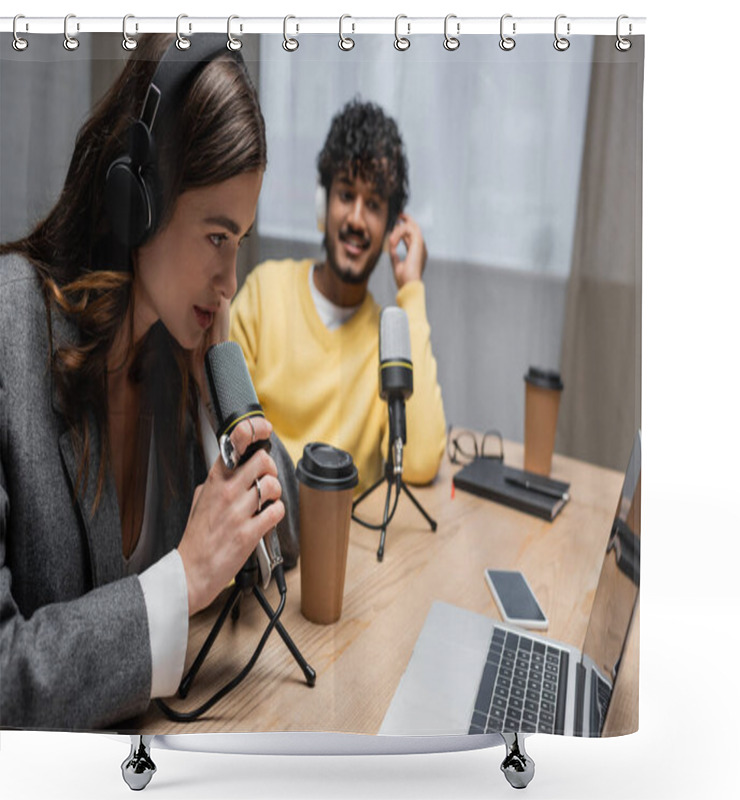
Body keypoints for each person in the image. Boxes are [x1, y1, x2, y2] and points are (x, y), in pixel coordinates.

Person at [0, 34, 298, 730]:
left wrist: (222, 399)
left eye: (240, 243)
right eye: (216, 238)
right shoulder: (10, 329)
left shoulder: (174, 353)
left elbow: (273, 550)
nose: (230, 284)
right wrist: (182, 580)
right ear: (140, 199)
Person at [230, 99, 446, 494]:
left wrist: (411, 290)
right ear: (323, 202)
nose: (357, 220)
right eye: (346, 194)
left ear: (390, 228)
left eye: (375, 205)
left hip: (349, 546)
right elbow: (223, 439)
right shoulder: (263, 294)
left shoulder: (389, 341)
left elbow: (418, 462)